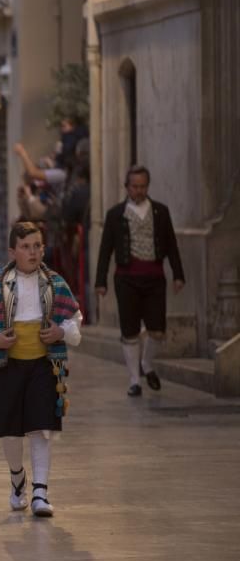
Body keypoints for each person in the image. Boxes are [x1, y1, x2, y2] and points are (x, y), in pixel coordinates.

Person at [0, 221, 83, 517]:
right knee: (10, 433)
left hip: (44, 365)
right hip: (7, 366)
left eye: (37, 246)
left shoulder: (55, 283)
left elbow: (74, 317)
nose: (33, 252)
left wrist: (61, 332)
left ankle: (40, 493)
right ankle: (18, 478)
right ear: (12, 251)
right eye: (26, 247)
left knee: (41, 428)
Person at [95, 165, 184, 396]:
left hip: (154, 278)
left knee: (157, 330)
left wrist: (178, 274)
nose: (139, 190)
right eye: (135, 186)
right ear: (127, 187)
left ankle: (147, 364)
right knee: (130, 329)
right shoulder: (116, 214)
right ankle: (134, 380)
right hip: (126, 279)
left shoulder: (160, 212)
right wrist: (100, 281)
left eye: (143, 186)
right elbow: (105, 249)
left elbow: (172, 244)